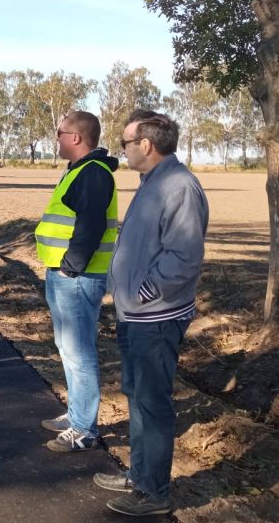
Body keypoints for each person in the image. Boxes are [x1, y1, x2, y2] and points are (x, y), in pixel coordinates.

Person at [94, 110, 208, 517]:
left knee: (154, 404)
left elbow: (183, 257)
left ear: (146, 145)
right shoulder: (151, 182)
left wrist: (143, 293)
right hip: (136, 315)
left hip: (156, 317)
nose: (121, 149)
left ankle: (154, 493)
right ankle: (139, 475)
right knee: (137, 397)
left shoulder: (179, 187)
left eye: (125, 143)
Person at [34, 111, 119, 452]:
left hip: (78, 277)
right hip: (64, 274)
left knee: (80, 353)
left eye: (60, 132)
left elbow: (91, 225)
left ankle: (84, 429)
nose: (56, 138)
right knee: (68, 349)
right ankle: (76, 414)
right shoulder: (80, 171)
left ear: (77, 137)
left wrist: (71, 266)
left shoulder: (93, 174)